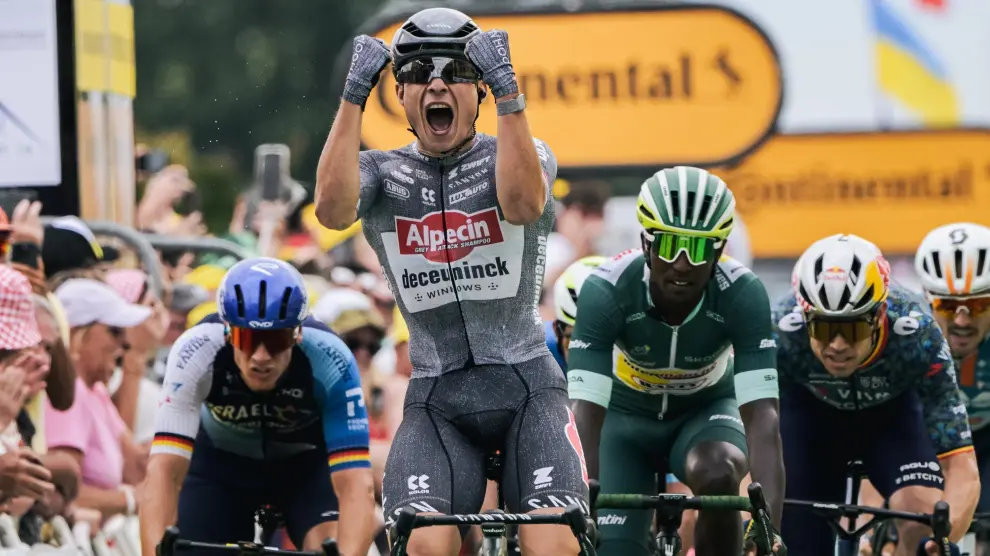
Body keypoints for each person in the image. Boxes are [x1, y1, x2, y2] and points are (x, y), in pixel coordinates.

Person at [315, 7, 589, 556]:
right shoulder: (380, 173)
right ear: (402, 95)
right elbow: (331, 208)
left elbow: (522, 203)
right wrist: (351, 97)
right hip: (438, 394)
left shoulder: (521, 153)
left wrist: (509, 92)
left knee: (553, 546)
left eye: (456, 72)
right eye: (417, 73)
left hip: (527, 386)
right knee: (422, 545)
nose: (436, 82)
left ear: (479, 91)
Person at [568, 167, 784, 556]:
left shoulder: (743, 293)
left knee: (719, 473)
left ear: (720, 251)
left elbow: (762, 418)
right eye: (670, 245)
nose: (683, 264)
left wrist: (768, 526)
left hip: (706, 415)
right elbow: (585, 413)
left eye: (699, 248)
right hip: (624, 421)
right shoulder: (606, 289)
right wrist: (583, 508)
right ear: (646, 242)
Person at [140, 257, 376, 556]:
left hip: (304, 470)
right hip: (219, 468)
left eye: (276, 340)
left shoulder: (331, 358)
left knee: (329, 549)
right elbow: (163, 472)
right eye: (247, 338)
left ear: (297, 334)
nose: (261, 356)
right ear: (227, 331)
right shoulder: (196, 351)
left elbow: (356, 485)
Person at [774, 233, 978, 556]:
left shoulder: (917, 332)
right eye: (824, 328)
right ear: (805, 317)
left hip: (891, 418)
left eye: (852, 329)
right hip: (811, 419)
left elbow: (961, 464)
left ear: (879, 316)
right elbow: (754, 445)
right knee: (796, 541)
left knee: (922, 525)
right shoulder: (782, 330)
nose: (837, 344)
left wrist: (943, 537)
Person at [915, 224, 990, 515]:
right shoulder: (909, 333)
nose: (962, 320)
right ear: (927, 300)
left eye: (979, 305)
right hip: (928, 438)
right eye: (947, 306)